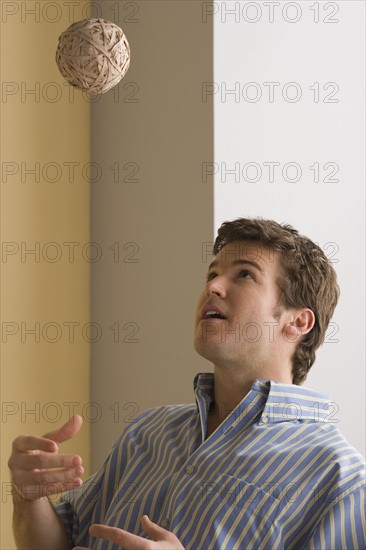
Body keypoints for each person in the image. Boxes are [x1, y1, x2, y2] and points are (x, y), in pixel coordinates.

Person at [9, 218, 366, 549]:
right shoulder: (147, 432)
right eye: (212, 273)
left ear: (298, 322)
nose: (212, 286)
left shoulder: (340, 481)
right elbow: (60, 542)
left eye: (244, 275)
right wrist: (30, 498)